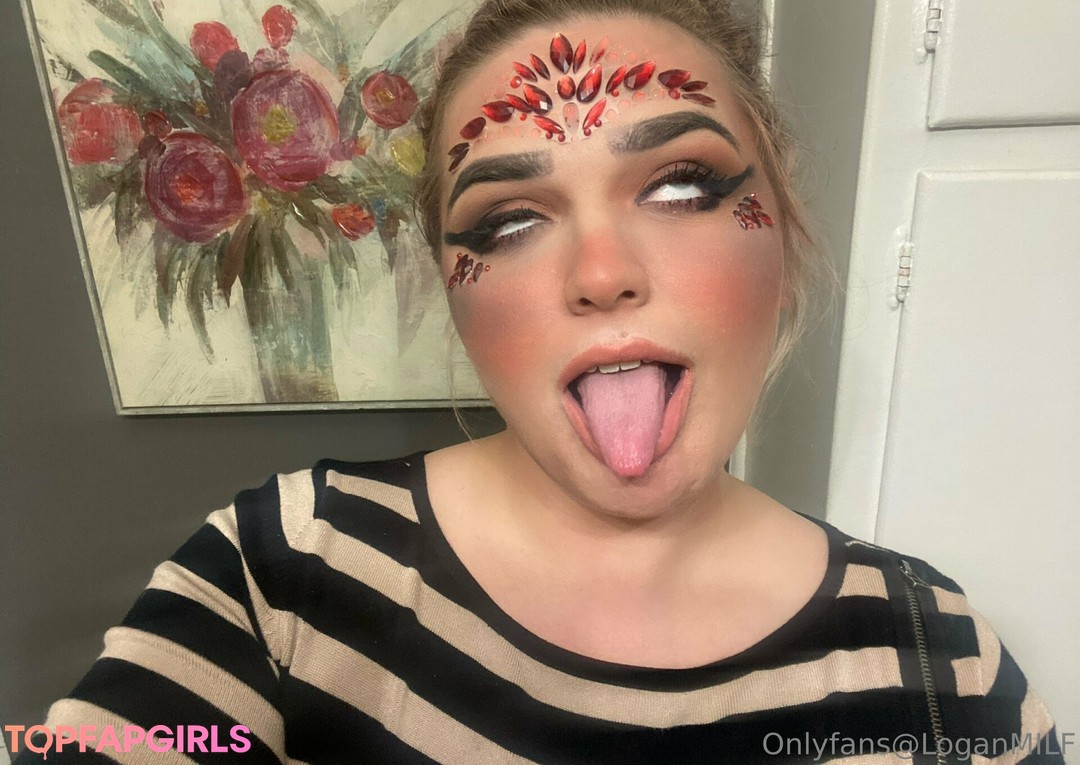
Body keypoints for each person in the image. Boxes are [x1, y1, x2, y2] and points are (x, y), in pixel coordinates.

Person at [12, 0, 1064, 762]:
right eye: (508, 220)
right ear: (453, 287)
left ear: (781, 231)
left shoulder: (940, 660)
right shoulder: (283, 568)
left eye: (681, 185)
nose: (601, 273)